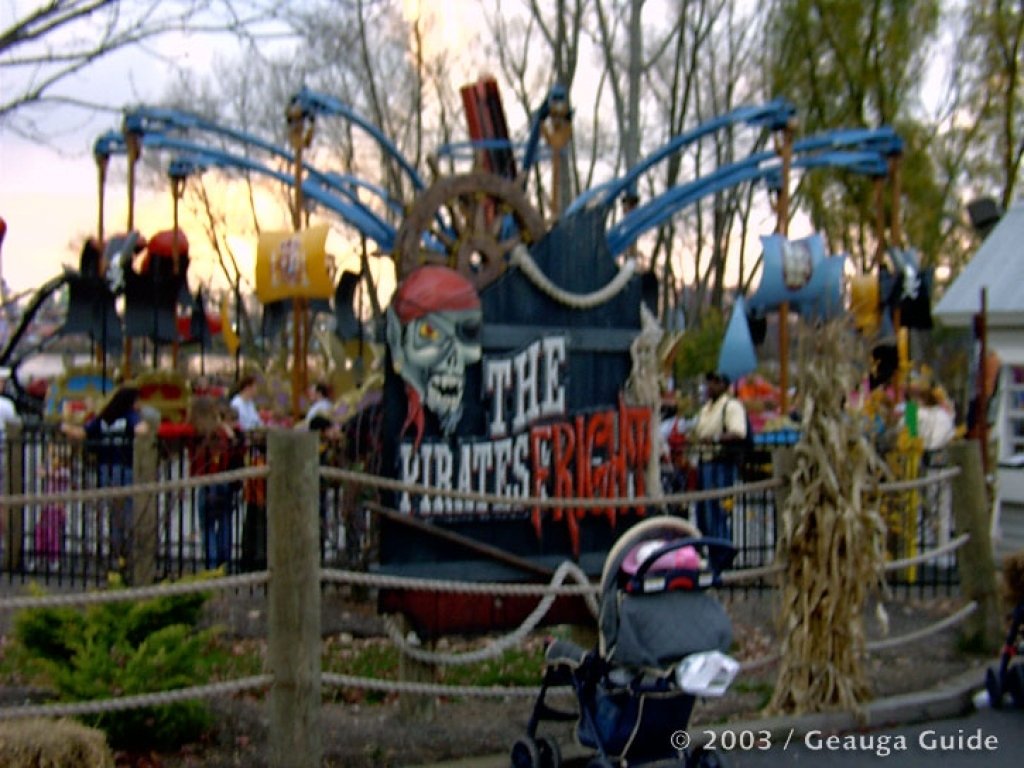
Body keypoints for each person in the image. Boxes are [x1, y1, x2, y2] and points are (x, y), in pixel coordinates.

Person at [61, 384, 149, 566]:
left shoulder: (104, 418)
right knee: (127, 512)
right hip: (123, 467)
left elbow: (82, 433)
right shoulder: (130, 416)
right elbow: (142, 429)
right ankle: (126, 553)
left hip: (105, 468)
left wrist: (64, 427)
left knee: (114, 513)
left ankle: (116, 552)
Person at [690, 371, 748, 540]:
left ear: (724, 385)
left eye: (715, 382)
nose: (710, 386)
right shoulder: (705, 409)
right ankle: (708, 547)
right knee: (703, 514)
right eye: (709, 381)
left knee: (718, 514)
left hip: (722, 464)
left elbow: (739, 432)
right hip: (704, 463)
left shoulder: (731, 406)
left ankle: (721, 550)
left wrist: (715, 439)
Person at [188, 395, 242, 571]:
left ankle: (211, 566)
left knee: (207, 526)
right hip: (223, 479)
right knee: (225, 522)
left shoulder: (195, 432)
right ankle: (224, 565)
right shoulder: (222, 432)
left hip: (206, 480)